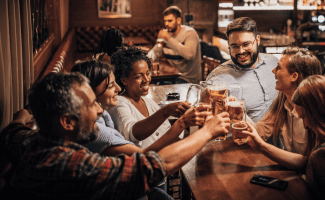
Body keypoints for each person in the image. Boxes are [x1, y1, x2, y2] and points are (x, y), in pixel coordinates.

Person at [0, 72, 230, 200]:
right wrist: (208, 131)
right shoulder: (69, 166)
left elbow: (11, 131)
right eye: (91, 105)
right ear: (68, 122)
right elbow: (151, 167)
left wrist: (20, 118)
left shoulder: (28, 141)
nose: (99, 110)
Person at [71, 59, 208, 200]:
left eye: (148, 73)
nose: (118, 89)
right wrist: (183, 123)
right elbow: (144, 156)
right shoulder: (95, 130)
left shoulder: (103, 115)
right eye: (111, 85)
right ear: (89, 92)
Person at [245, 75, 325, 200]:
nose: (305, 125)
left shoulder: (321, 153)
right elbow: (305, 163)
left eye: (304, 117)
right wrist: (260, 145)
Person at [109, 47, 192, 149]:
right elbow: (132, 133)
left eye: (147, 73)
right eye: (139, 76)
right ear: (124, 80)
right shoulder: (119, 104)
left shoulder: (149, 103)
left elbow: (169, 136)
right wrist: (166, 111)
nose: (146, 80)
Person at [206, 17, 279, 122]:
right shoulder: (218, 79)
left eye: (246, 44)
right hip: (243, 137)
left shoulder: (273, 62)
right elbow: (210, 122)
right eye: (235, 46)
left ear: (257, 40)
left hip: (282, 137)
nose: (241, 51)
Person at [254, 47, 322, 155]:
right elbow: (260, 131)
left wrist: (263, 147)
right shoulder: (283, 103)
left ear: (294, 76)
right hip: (292, 171)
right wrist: (239, 116)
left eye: (278, 67)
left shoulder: (313, 113)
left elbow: (306, 162)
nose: (273, 71)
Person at [147, 6, 201, 84]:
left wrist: (168, 38)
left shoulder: (190, 33)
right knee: (151, 84)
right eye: (165, 21)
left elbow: (189, 55)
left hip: (188, 79)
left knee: (160, 87)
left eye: (170, 21)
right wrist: (146, 60)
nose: (166, 24)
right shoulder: (166, 34)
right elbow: (155, 52)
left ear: (178, 20)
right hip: (172, 76)